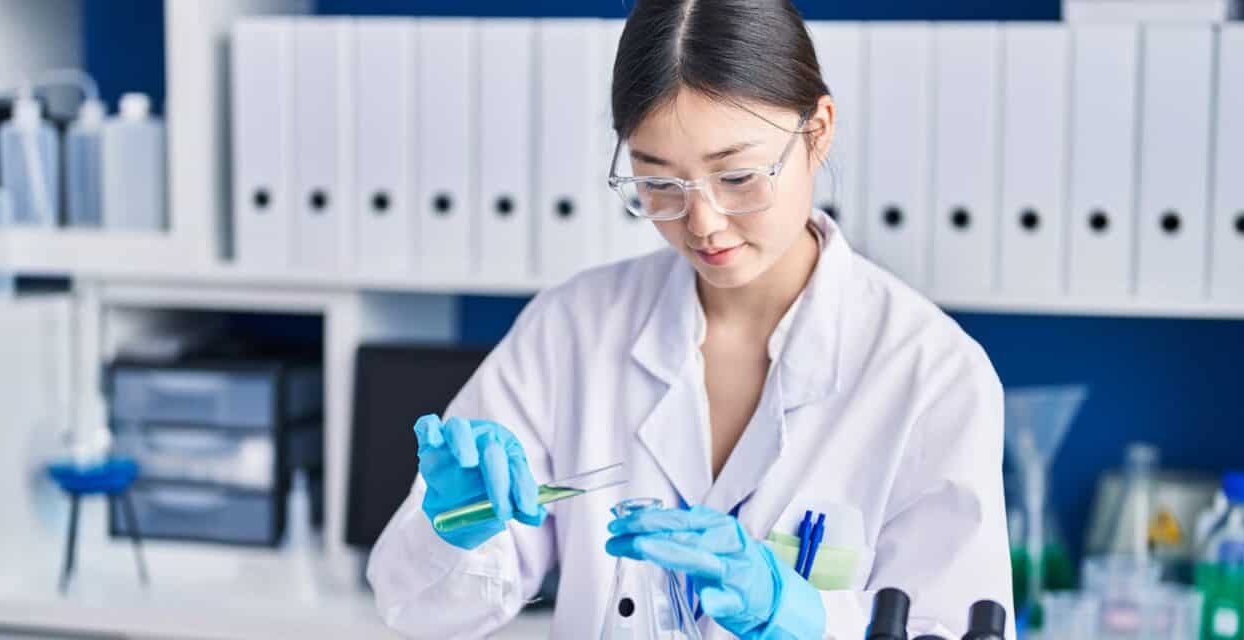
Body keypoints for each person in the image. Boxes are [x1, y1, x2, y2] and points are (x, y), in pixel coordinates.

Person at [366, 1, 1013, 637]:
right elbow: (415, 610)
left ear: (817, 133)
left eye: (736, 177)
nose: (702, 224)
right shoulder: (573, 331)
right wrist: (454, 524)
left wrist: (799, 614)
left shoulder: (931, 372)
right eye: (659, 183)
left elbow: (958, 626)